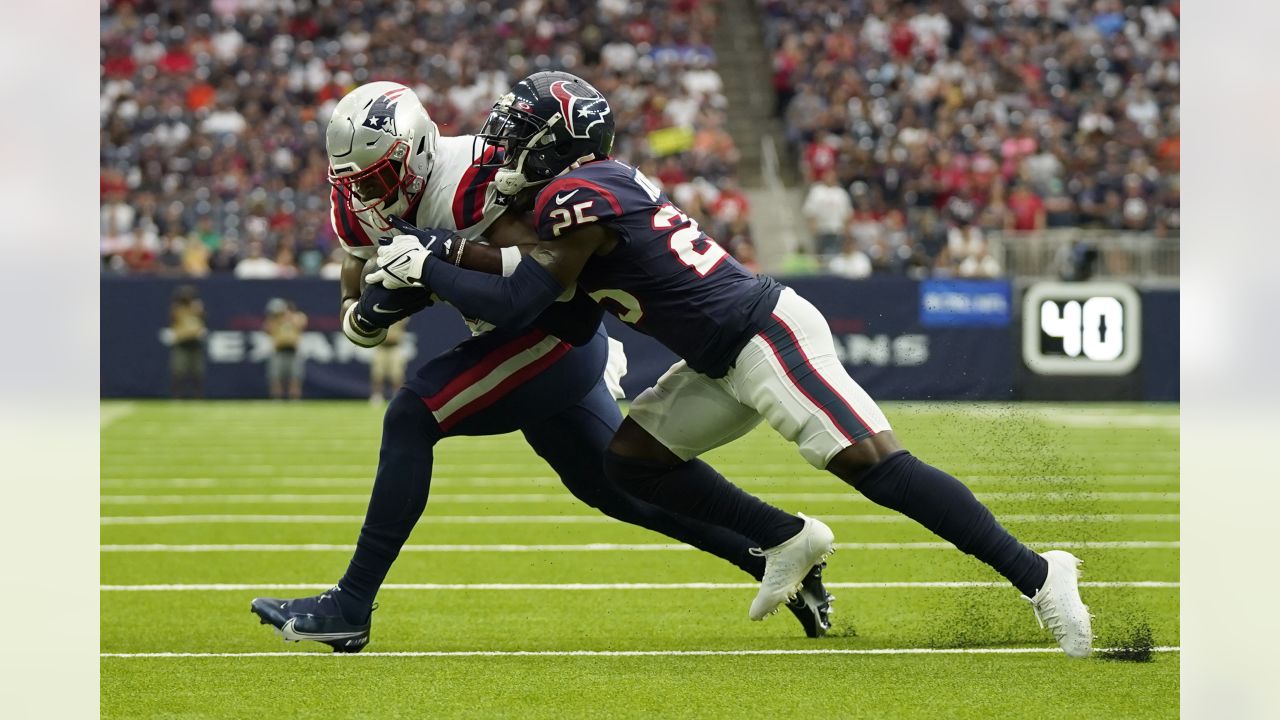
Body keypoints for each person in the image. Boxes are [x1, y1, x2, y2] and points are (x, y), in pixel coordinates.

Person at [372, 72, 1093, 657]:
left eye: (517, 132)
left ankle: (1039, 573)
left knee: (876, 465)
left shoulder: (572, 196)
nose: (499, 144)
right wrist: (440, 255)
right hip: (717, 359)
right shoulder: (573, 193)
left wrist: (427, 263)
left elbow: (524, 297)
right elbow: (541, 288)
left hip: (762, 336)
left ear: (556, 144)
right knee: (631, 461)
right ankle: (788, 538)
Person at [251, 82, 833, 653]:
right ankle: (775, 544)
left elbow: (544, 270)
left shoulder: (475, 177)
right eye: (356, 183)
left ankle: (350, 605)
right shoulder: (356, 198)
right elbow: (357, 281)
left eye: (379, 179)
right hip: (512, 338)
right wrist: (364, 314)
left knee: (412, 413)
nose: (369, 195)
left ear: (418, 152)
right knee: (613, 487)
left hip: (550, 330)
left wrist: (433, 271)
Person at [263, 298, 307, 400]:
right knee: (275, 378)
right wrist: (275, 319)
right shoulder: (274, 321)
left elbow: (301, 323)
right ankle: (277, 399)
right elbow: (267, 329)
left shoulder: (297, 317)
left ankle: (294, 399)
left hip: (293, 351)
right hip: (278, 351)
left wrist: (287, 317)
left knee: (295, 378)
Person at [168, 285, 206, 399]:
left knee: (198, 372)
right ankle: (176, 396)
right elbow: (173, 322)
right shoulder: (177, 309)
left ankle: (198, 396)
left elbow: (203, 320)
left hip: (195, 344)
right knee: (178, 371)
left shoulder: (197, 308)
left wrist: (198, 310)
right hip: (182, 344)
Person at [368, 319, 408, 404]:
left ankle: (398, 396)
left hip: (395, 347)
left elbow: (403, 323)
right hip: (381, 346)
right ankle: (377, 396)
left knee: (397, 374)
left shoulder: (400, 312)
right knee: (378, 373)